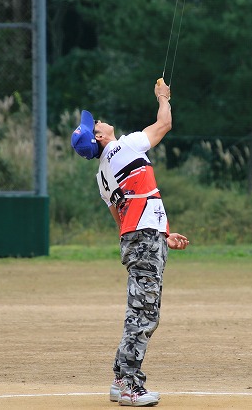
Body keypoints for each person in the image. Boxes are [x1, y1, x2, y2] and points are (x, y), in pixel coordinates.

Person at [71, 78, 189, 407]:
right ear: (99, 137)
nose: (98, 121)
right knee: (145, 314)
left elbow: (121, 218)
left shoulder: (102, 175)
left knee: (138, 311)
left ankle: (120, 378)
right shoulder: (124, 146)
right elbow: (164, 124)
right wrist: (163, 98)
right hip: (145, 239)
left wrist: (162, 233)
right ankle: (129, 386)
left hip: (136, 238)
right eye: (94, 124)